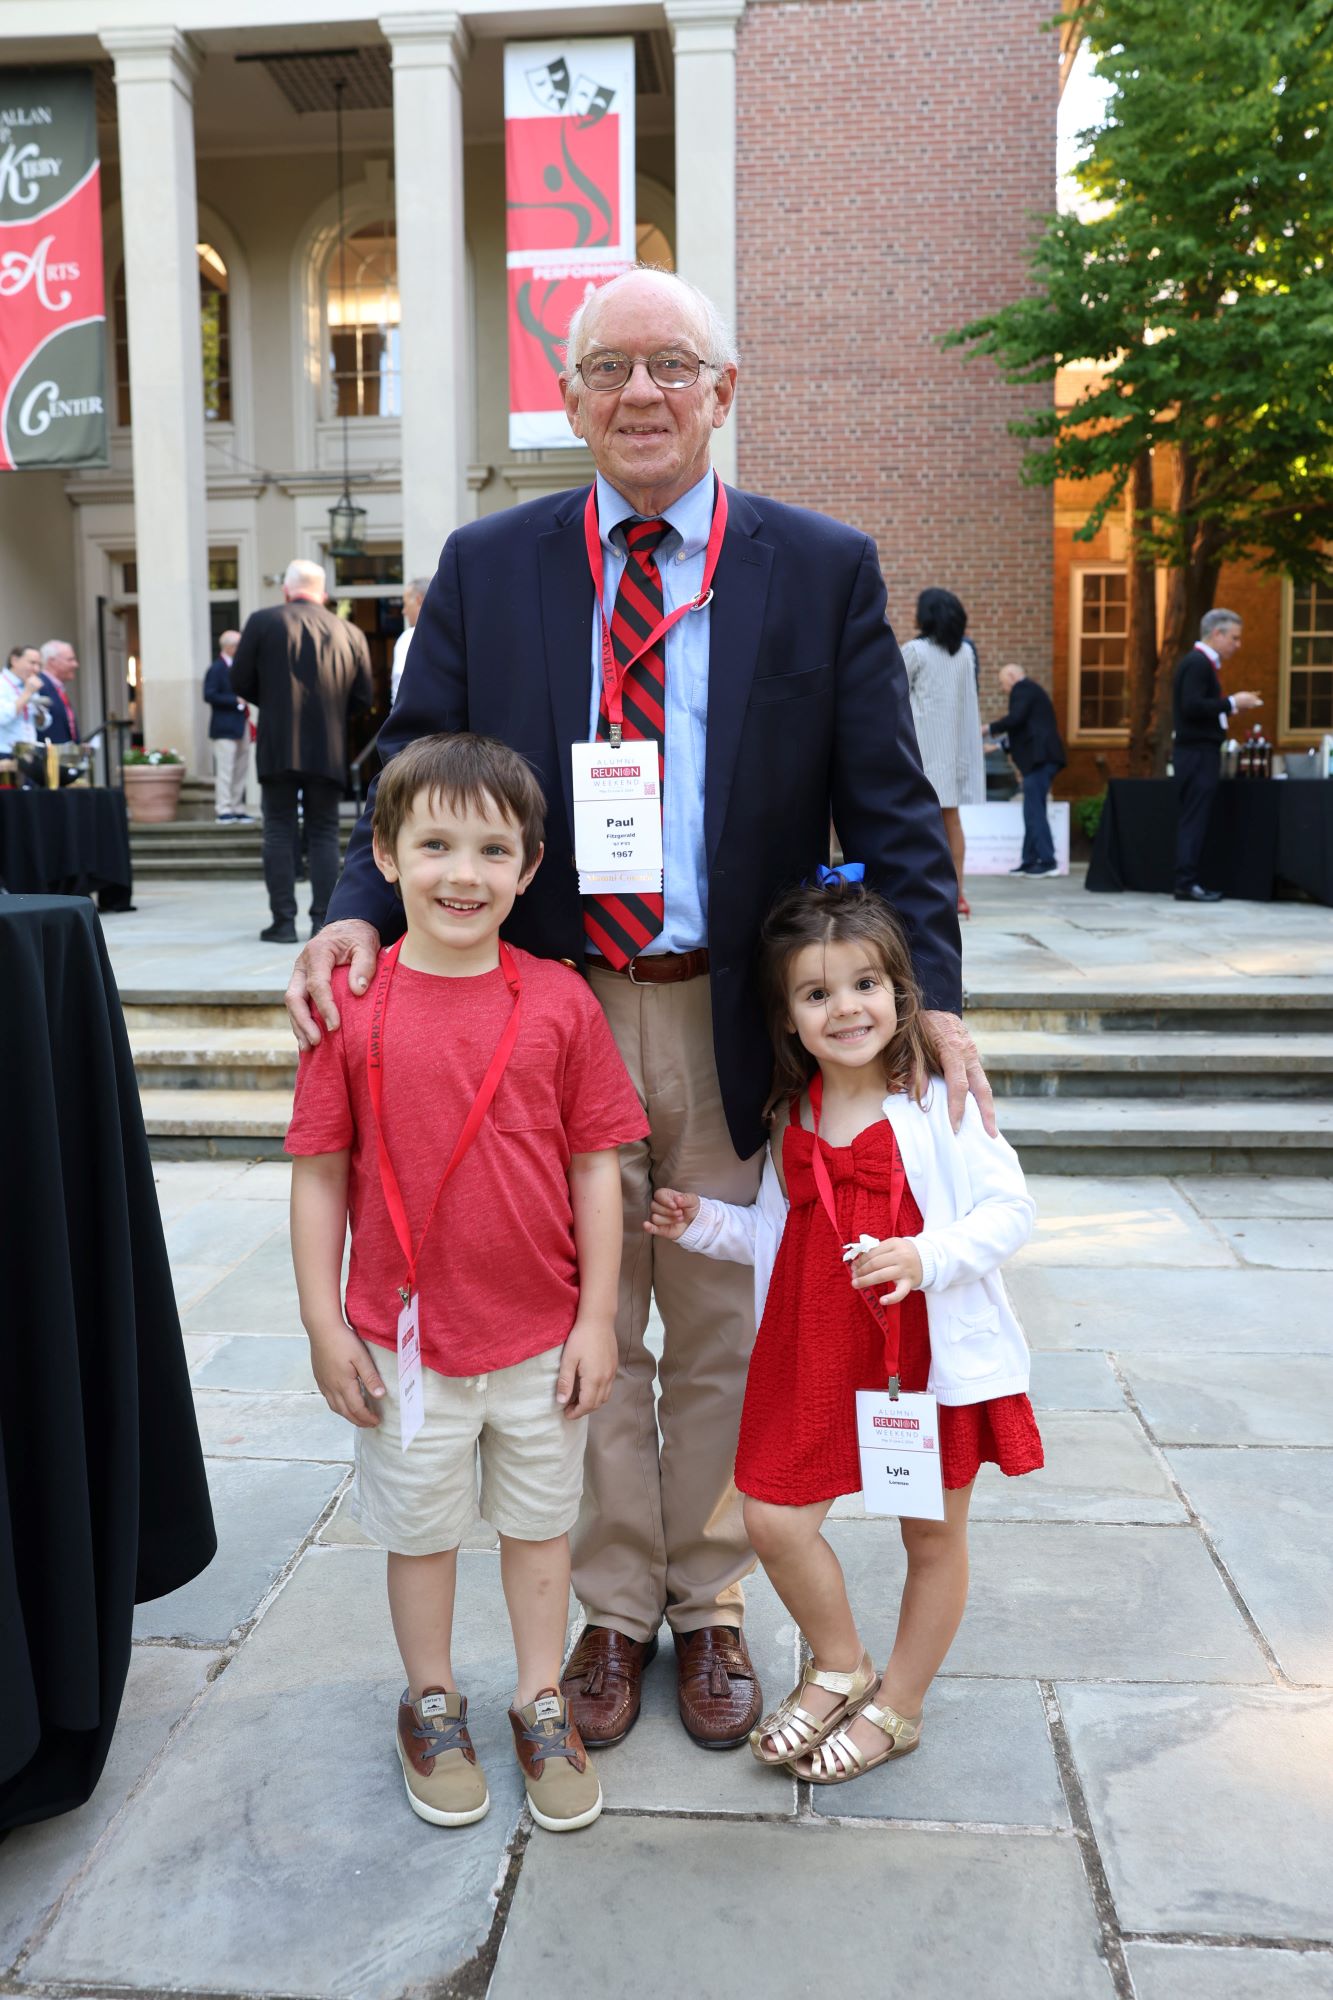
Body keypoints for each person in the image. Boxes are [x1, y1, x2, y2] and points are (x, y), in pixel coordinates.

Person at [284, 266, 988, 1755]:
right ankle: (610, 1605)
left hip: (739, 1009)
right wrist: (354, 907)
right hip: (549, 1011)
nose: (641, 393)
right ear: (571, 398)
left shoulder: (816, 564)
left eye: (673, 365)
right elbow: (410, 765)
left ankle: (712, 1601)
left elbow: (892, 809)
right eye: (608, 367)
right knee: (579, 1319)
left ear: (723, 392)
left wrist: (936, 1007)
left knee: (727, 1314)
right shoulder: (493, 564)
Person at [287, 732, 648, 1833]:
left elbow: (598, 1167)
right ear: (386, 856)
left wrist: (596, 1319)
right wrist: (321, 1324)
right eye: (434, 843)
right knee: (421, 1529)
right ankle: (430, 1697)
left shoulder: (559, 1002)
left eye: (492, 849)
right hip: (405, 1346)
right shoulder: (351, 1009)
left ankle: (540, 1696)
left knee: (543, 1527)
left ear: (529, 867)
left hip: (542, 1336)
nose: (462, 872)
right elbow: (315, 1176)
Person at [646, 872, 1041, 1785]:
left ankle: (895, 1706)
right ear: (786, 1016)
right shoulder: (793, 1113)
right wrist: (699, 1222)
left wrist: (926, 1256)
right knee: (772, 1515)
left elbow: (1007, 1211)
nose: (845, 1008)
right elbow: (783, 1236)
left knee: (930, 1534)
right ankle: (839, 1664)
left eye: (864, 985)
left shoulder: (937, 1100)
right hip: (814, 1348)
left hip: (918, 1356)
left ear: (901, 994)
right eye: (816, 993)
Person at [229, 558, 372, 944]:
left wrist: (274, 703)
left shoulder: (263, 621)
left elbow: (239, 679)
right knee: (324, 832)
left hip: (277, 742)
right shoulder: (350, 632)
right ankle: (321, 921)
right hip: (328, 746)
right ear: (323, 594)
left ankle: (283, 922)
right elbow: (363, 697)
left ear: (286, 590)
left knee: (278, 829)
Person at [901, 590, 985, 917]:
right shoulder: (965, 653)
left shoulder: (914, 651)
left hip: (921, 751)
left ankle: (923, 894)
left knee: (919, 825)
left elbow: (891, 692)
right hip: (955, 750)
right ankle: (958, 895)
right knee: (952, 822)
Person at [1171, 609, 1262, 904]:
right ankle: (1186, 882)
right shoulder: (1198, 663)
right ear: (1216, 634)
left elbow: (1198, 706)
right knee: (1194, 817)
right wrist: (1232, 701)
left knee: (1196, 816)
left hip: (1198, 750)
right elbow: (1192, 706)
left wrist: (1231, 707)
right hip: (1197, 752)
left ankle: (1189, 879)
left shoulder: (1200, 663)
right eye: (1234, 638)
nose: (1238, 644)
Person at [983, 663, 1066, 877]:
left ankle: (1048, 861)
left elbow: (1016, 719)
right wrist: (997, 745)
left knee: (1034, 810)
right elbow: (1025, 728)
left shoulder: (1023, 689)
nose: (1003, 689)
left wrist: (989, 729)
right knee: (1031, 810)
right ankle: (1029, 860)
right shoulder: (1032, 693)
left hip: (1040, 760)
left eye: (1003, 684)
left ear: (1011, 676)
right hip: (1041, 760)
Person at [203, 629, 253, 823]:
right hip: (224, 728)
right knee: (226, 770)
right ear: (230, 647)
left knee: (241, 768)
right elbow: (209, 694)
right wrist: (236, 700)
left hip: (241, 726)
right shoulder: (216, 668)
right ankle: (224, 809)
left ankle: (237, 806)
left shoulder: (239, 667)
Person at [390, 578, 430, 705]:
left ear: (419, 600)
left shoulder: (408, 638)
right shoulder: (454, 633)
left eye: (406, 604)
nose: (404, 611)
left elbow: (399, 684)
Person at [36, 640, 80, 744]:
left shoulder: (58, 687)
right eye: (70, 660)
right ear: (52, 661)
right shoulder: (39, 685)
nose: (75, 664)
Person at [0, 646, 42, 755]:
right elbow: (2, 717)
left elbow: (43, 723)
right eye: (32, 663)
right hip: (5, 753)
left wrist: (40, 710)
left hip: (28, 752)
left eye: (39, 665)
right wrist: (27, 693)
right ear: (14, 661)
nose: (36, 669)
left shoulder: (28, 684)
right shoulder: (2, 684)